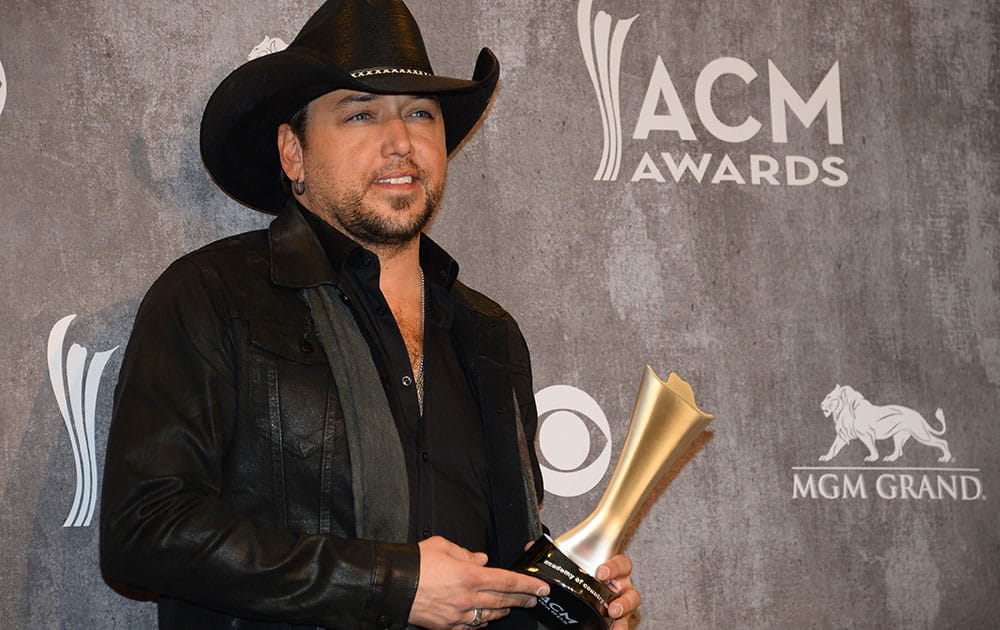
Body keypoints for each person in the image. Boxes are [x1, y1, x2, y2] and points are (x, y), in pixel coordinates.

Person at [100, 1, 640, 628]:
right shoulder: (211, 295)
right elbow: (145, 528)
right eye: (360, 114)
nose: (401, 141)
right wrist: (393, 583)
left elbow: (493, 562)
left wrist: (571, 602)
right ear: (292, 153)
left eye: (420, 113)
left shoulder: (490, 334)